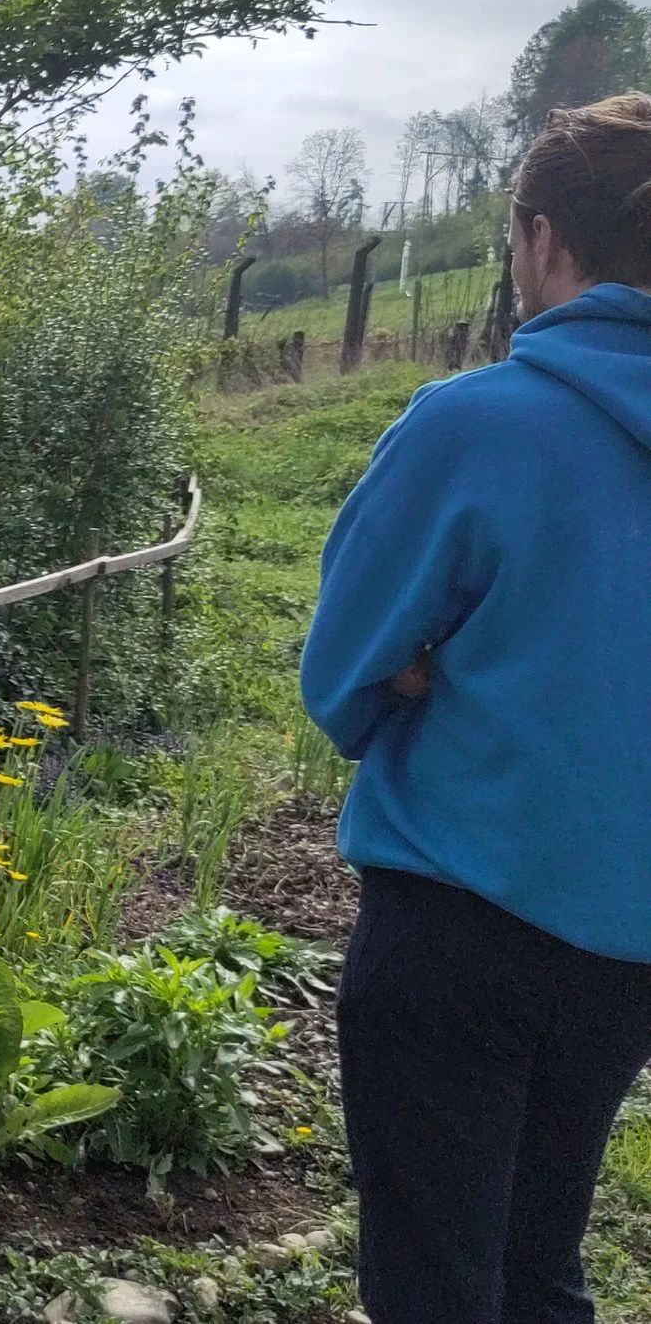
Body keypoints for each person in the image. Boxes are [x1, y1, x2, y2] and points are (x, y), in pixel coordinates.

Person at [301, 92, 651, 1324]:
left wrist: (422, 665)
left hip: (457, 922)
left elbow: (342, 673)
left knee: (433, 1276)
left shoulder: (476, 424)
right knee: (539, 1257)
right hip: (627, 943)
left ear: (545, 240)